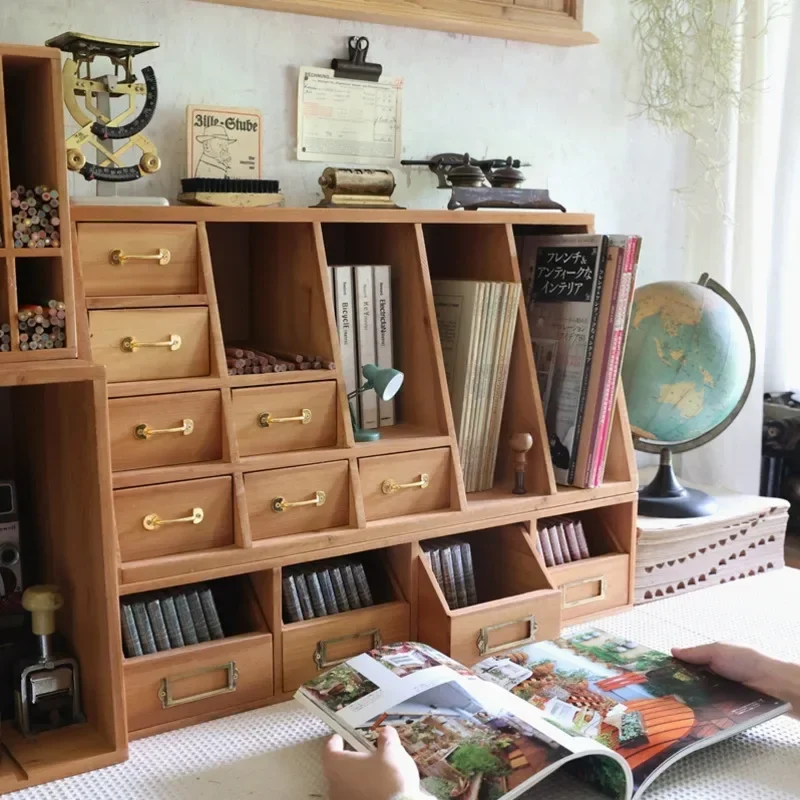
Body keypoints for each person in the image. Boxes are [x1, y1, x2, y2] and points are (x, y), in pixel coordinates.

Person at [323, 643, 800, 800]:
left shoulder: (667, 716)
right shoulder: (668, 708)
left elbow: (632, 732)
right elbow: (626, 720)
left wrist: (395, 796)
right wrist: (773, 678)